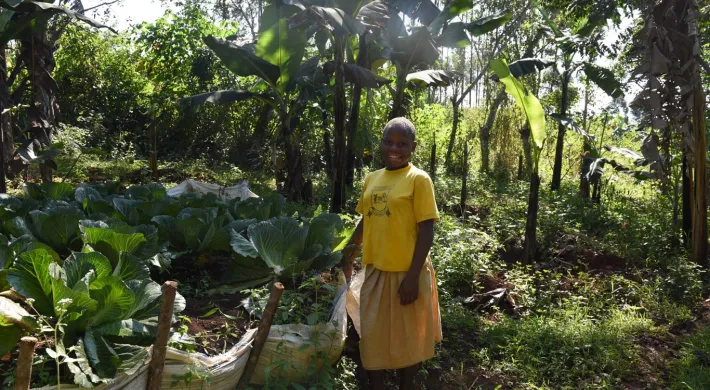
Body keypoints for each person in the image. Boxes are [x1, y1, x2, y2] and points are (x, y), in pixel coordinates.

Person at [342, 117, 442, 390]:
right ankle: (376, 385)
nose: (394, 149)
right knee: (372, 335)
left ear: (413, 147)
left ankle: (405, 385)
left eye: (401, 144)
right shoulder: (372, 178)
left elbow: (426, 231)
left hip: (408, 273)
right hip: (375, 270)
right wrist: (349, 254)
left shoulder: (418, 180)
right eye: (388, 142)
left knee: (407, 339)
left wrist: (412, 278)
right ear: (381, 143)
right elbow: (367, 220)